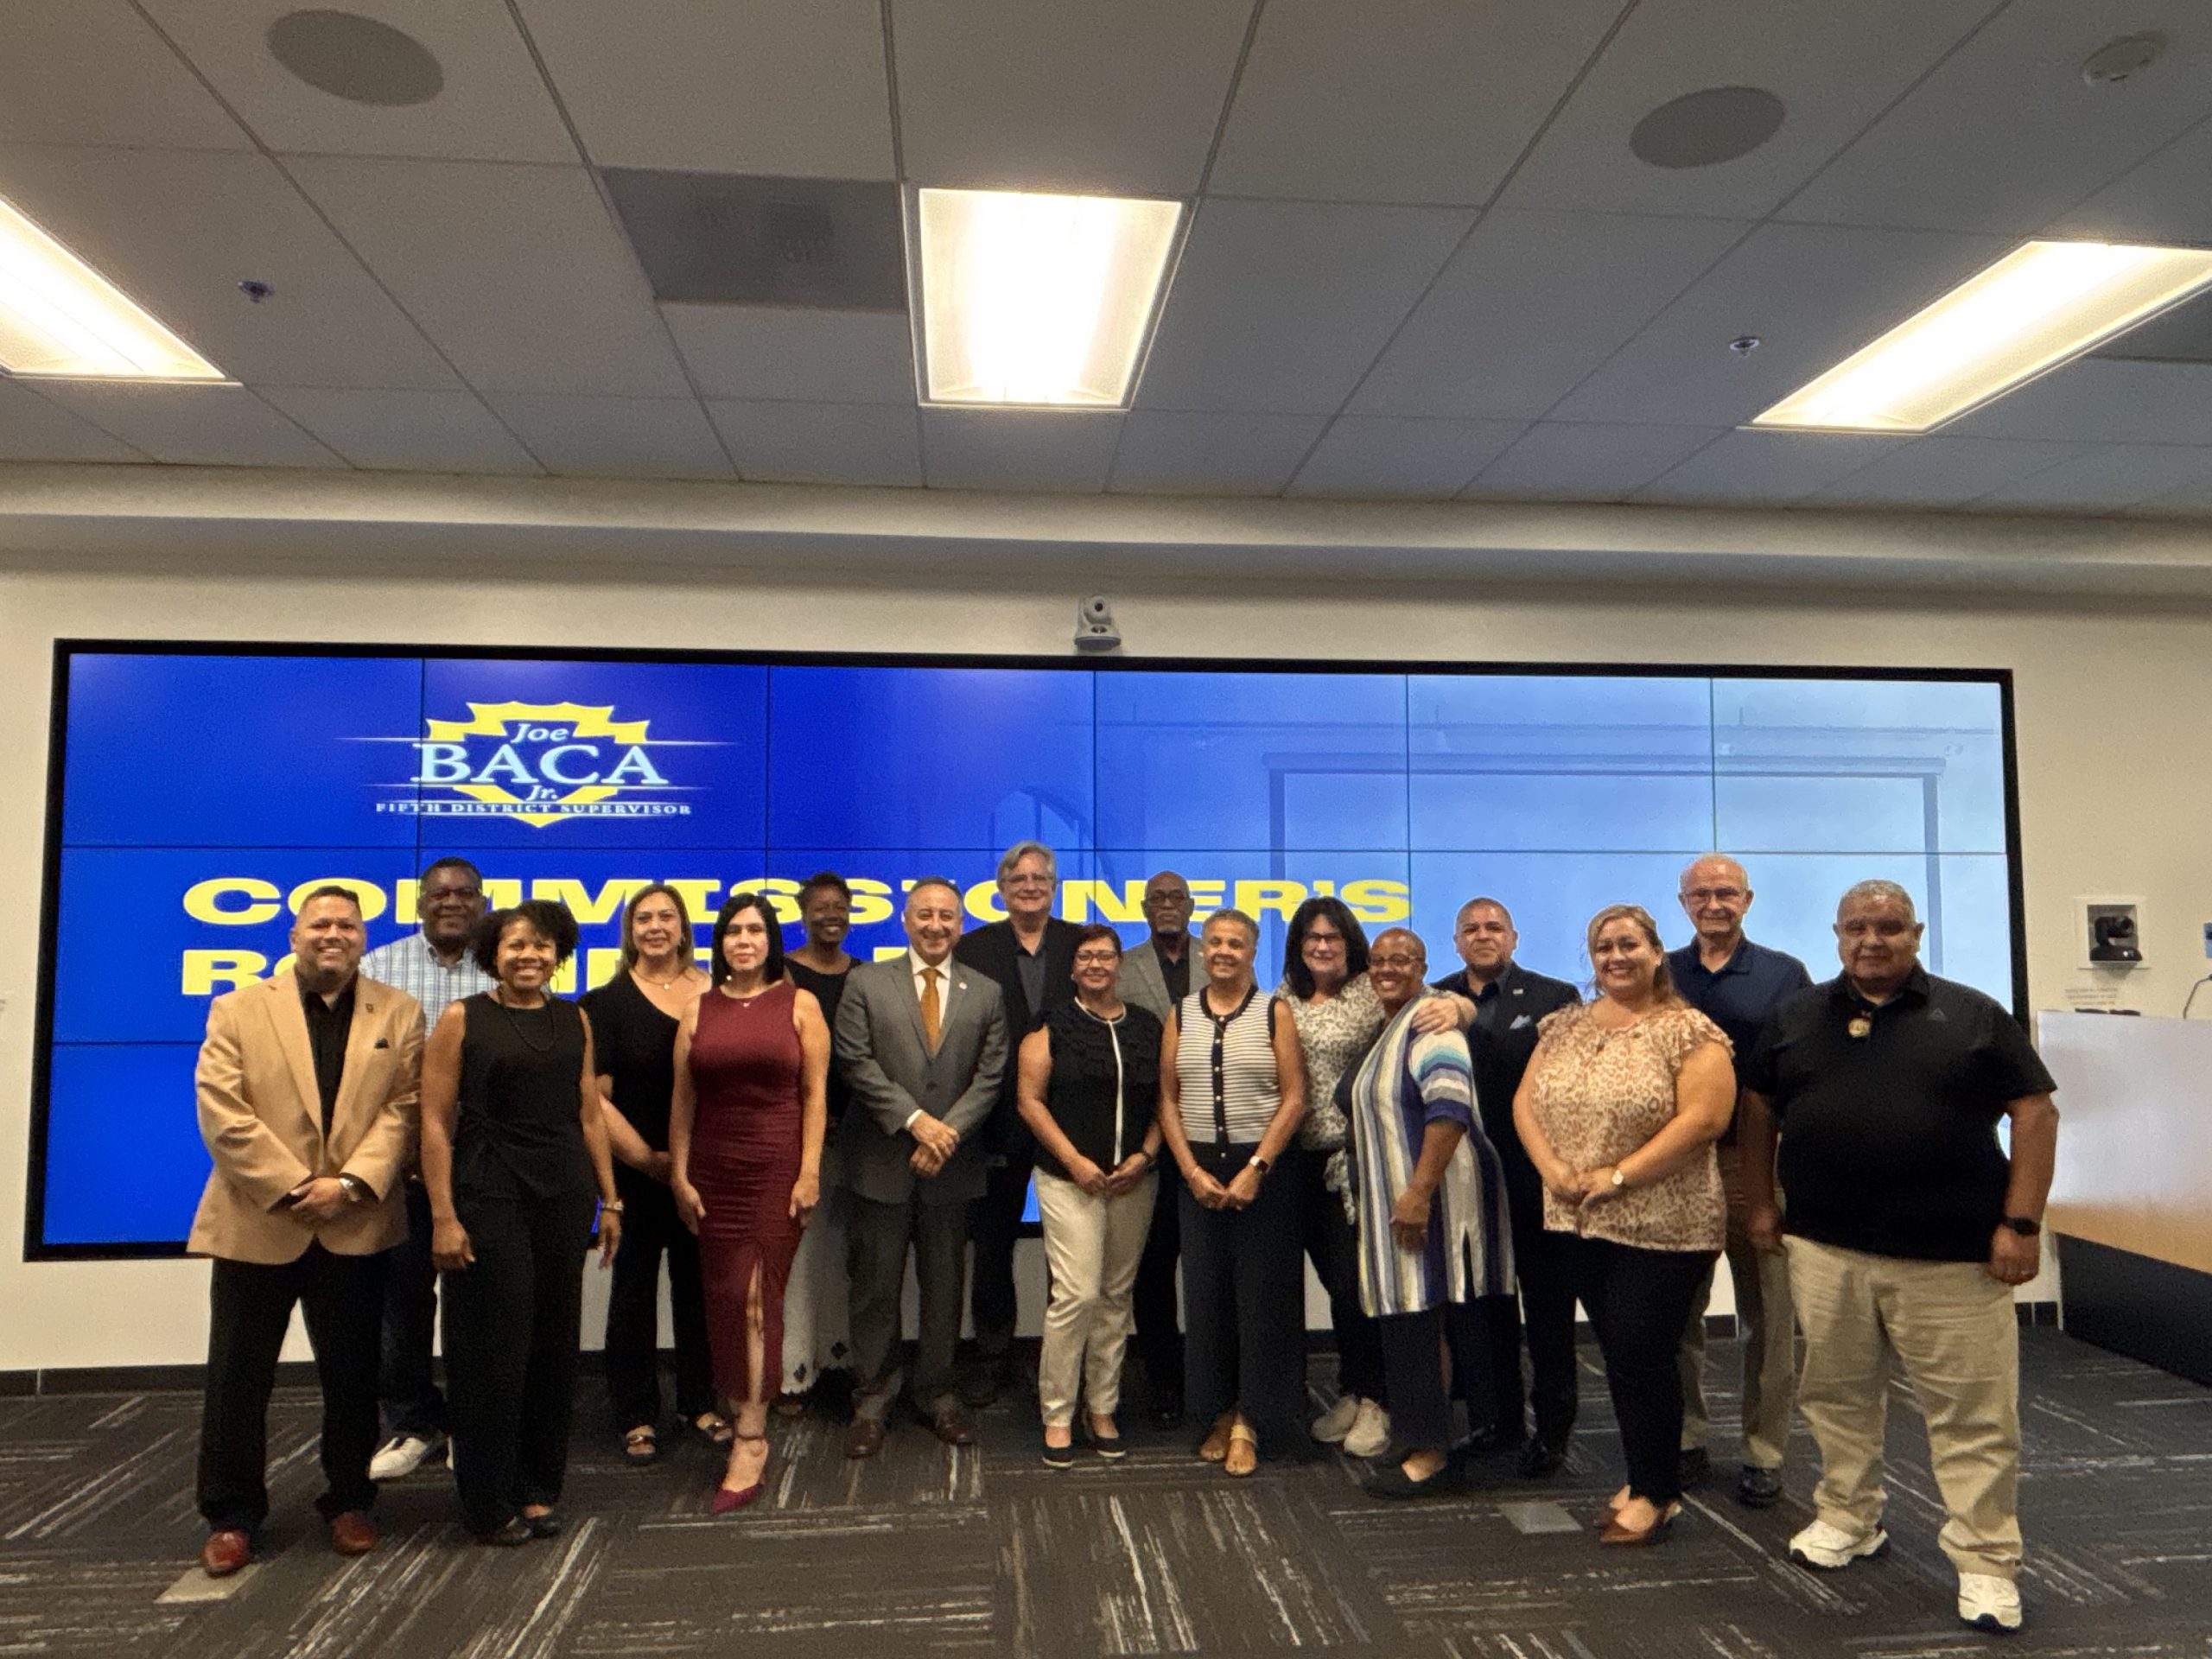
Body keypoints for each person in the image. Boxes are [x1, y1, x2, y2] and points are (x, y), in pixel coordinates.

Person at [1740, 880, 2058, 1637]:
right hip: (1825, 1249)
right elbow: (1758, 1111)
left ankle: (1986, 1563)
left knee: (1973, 1418)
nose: (1871, 940)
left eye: (1888, 927)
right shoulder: (1795, 1016)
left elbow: (2035, 1112)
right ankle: (1850, 1517)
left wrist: (2021, 1222)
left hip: (1953, 1260)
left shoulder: (1973, 1014)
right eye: (1857, 928)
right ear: (1836, 934)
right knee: (1837, 1397)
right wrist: (1760, 1204)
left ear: (1915, 933)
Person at [188, 887, 423, 1577]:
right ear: (294, 934)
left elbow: (403, 1106)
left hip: (354, 1221)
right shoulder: (238, 1007)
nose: (334, 934)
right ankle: (231, 1515)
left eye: (347, 925)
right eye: (320, 923)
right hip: (260, 1219)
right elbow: (222, 1111)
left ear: (362, 937)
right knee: (238, 1375)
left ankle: (350, 1498)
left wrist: (348, 1185)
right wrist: (296, 1187)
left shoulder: (398, 1011)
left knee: (353, 1376)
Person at [1513, 904, 1733, 1545]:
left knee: (1641, 1350)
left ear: (1657, 951)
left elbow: (1703, 1122)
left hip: (1664, 1221)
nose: (1615, 956)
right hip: (1578, 1219)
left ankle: (1657, 1492)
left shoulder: (1690, 1032)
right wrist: (1553, 1168)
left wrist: (1618, 1176)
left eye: (1629, 944)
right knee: (1623, 1355)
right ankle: (1647, 1475)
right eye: (1603, 947)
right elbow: (1524, 1102)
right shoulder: (1565, 1026)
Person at [419, 900, 621, 1544]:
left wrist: (610, 1200)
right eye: (515, 946)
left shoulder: (574, 1019)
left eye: (540, 946)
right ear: (492, 954)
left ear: (558, 952)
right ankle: (487, 1499)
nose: (528, 956)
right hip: (488, 1194)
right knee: (491, 1351)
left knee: (553, 1348)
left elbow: (589, 1114)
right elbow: (433, 1120)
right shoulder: (462, 1018)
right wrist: (443, 1215)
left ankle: (538, 1489)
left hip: (563, 1197)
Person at [833, 877, 1010, 1457]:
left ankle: (938, 1392)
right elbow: (855, 1061)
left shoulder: (984, 991)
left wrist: (947, 1131)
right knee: (875, 1288)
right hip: (881, 1160)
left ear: (960, 926)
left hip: (951, 1166)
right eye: (925, 915)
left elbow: (990, 1075)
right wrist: (917, 1123)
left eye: (947, 917)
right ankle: (873, 1400)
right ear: (905, 921)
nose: (936, 925)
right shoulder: (866, 982)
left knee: (944, 1286)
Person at [670, 893, 829, 1510]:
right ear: (720, 942)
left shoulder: (800, 1003)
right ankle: (740, 1403)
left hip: (775, 1168)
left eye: (755, 931)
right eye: (734, 931)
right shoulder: (697, 1009)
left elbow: (815, 1095)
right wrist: (680, 1174)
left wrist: (809, 1171)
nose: (744, 941)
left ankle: (753, 1432)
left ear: (770, 941)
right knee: (726, 1297)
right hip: (713, 1170)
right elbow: (683, 1101)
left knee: (760, 1296)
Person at [1344, 929, 1515, 1498]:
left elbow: (1448, 1110)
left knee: (1419, 1320)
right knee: (1411, 1322)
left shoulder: (1431, 1024)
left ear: (1423, 968)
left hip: (1428, 1203)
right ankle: (1422, 1437)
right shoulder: (1391, 1025)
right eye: (1378, 960)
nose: (1387, 969)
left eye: (1402, 960)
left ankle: (1431, 1454)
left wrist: (1418, 1191)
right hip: (1397, 1201)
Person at [1668, 855, 1813, 1506]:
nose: (1713, 903)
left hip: (1754, 1162)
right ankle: (1686, 1438)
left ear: (1747, 900)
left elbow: (1803, 1071)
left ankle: (1764, 1450)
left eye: (1726, 892)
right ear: (1683, 903)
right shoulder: (1659, 973)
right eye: (1701, 893)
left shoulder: (1785, 976)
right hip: (1674, 1167)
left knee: (1770, 1316)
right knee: (1676, 1314)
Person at [1430, 897, 1581, 1477]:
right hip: (1463, 1177)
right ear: (1456, 942)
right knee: (1484, 1308)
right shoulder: (1435, 998)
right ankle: (1498, 1422)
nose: (1483, 935)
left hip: (1535, 1173)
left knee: (1546, 1306)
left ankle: (1554, 1429)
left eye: (1494, 927)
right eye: (1470, 928)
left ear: (1514, 938)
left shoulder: (1555, 998)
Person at [1156, 909, 1309, 1477]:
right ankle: (1218, 1411)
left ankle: (1254, 1420)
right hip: (1198, 1174)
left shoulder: (1275, 1012)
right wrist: (1191, 1172)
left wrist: (1257, 1167)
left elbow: (1294, 1098)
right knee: (1208, 1298)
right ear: (1203, 950)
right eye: (1215, 942)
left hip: (1263, 1174)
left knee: (1262, 1302)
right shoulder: (1181, 1014)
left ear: (1252, 952)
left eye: (1236, 944)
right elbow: (1168, 1100)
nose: (1224, 951)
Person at [360, 856, 492, 1482]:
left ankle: (476, 1424)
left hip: (486, 1167)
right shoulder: (377, 969)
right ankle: (414, 1423)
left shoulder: (503, 966)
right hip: (403, 1169)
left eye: (465, 894)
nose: (452, 903)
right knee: (403, 1301)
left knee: (482, 1304)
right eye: (440, 894)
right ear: (419, 902)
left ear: (482, 904)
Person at [578, 884, 715, 1466]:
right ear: (629, 931)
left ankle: (699, 1403)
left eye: (666, 917)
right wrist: (651, 1162)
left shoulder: (719, 993)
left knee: (701, 1290)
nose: (655, 927)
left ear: (683, 928)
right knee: (632, 1293)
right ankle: (636, 1412)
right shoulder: (603, 1004)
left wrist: (685, 1165)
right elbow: (595, 1100)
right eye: (643, 919)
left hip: (707, 1170)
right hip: (635, 1173)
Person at [1017, 924, 1164, 1466]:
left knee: (1115, 1296)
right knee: (1076, 1293)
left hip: (1134, 1179)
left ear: (1119, 963)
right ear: (1073, 967)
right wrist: (1075, 1162)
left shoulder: (1147, 1026)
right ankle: (1057, 1411)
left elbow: (1162, 1103)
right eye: (1086, 956)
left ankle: (1102, 1407)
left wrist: (1145, 1157)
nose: (1096, 964)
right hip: (1067, 1179)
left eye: (1106, 955)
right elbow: (1030, 1101)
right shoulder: (1050, 1025)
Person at [954, 841, 1084, 1405]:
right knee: (992, 1246)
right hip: (995, 1123)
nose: (1030, 885)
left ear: (1054, 887)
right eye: (1019, 878)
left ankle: (1068, 1359)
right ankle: (991, 1356)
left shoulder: (1083, 943)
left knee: (1072, 1248)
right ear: (1002, 888)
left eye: (1040, 878)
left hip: (1071, 1122)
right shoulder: (974, 947)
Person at [1277, 897, 1390, 1459]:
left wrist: (1459, 1011)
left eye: (1333, 938)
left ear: (1350, 943)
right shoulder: (1281, 1000)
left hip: (1359, 1158)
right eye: (1311, 938)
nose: (1322, 947)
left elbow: (1430, 1002)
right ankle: (1352, 1387)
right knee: (1333, 1283)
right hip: (1295, 1159)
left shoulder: (1373, 989)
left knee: (1356, 1284)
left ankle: (1377, 1397)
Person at [1118, 869, 1195, 1428]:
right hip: (1147, 1139)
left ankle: (1217, 1378)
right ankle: (1164, 1381)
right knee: (1151, 1269)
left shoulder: (1221, 959)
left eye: (1176, 898)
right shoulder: (1123, 968)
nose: (1167, 905)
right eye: (1157, 899)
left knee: (1214, 1269)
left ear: (1191, 906)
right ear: (1144, 910)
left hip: (1214, 1140)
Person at [779, 872, 859, 1406]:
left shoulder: (868, 976)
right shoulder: (781, 974)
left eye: (839, 906)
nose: (829, 914)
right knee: (797, 1256)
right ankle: (793, 1372)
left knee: (848, 1254)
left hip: (858, 1135)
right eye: (819, 907)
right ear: (804, 913)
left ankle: (841, 1362)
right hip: (793, 1135)